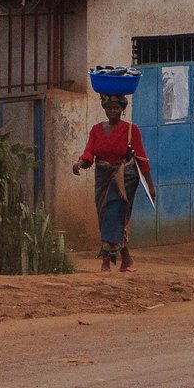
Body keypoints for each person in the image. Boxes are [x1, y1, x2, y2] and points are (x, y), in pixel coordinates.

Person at [73, 92, 154, 272]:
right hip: (102, 176)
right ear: (104, 108)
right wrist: (80, 164)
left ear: (122, 109)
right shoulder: (96, 130)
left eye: (116, 108)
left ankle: (106, 261)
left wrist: (150, 185)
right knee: (106, 216)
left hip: (124, 177)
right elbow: (89, 154)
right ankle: (126, 258)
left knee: (113, 212)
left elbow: (142, 158)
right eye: (109, 108)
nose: (112, 111)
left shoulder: (131, 130)